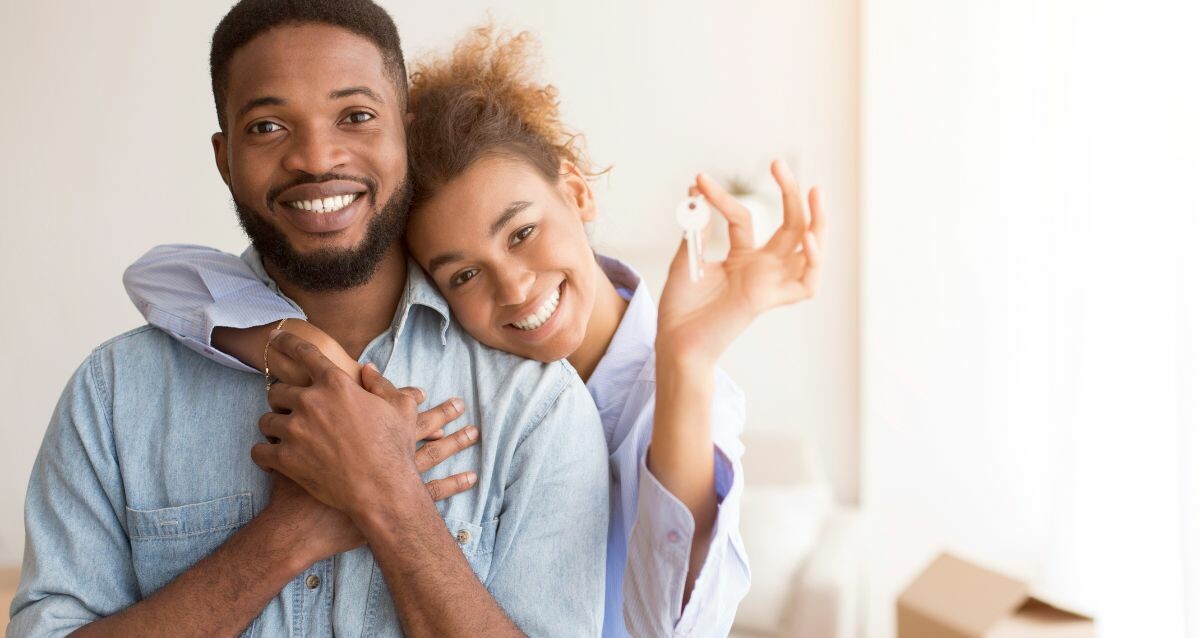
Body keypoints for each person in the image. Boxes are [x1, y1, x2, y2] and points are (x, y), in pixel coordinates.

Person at [122, 21, 827, 638]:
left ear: (576, 192)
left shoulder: (668, 387)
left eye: (522, 232)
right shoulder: (460, 364)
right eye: (463, 274)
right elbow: (159, 275)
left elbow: (673, 625)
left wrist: (685, 360)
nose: (515, 288)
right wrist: (302, 346)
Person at [9, 2, 612, 636]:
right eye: (268, 127)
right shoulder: (113, 396)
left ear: (402, 132)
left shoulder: (534, 405)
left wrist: (389, 498)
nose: (317, 157)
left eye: (355, 116)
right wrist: (285, 536)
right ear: (225, 158)